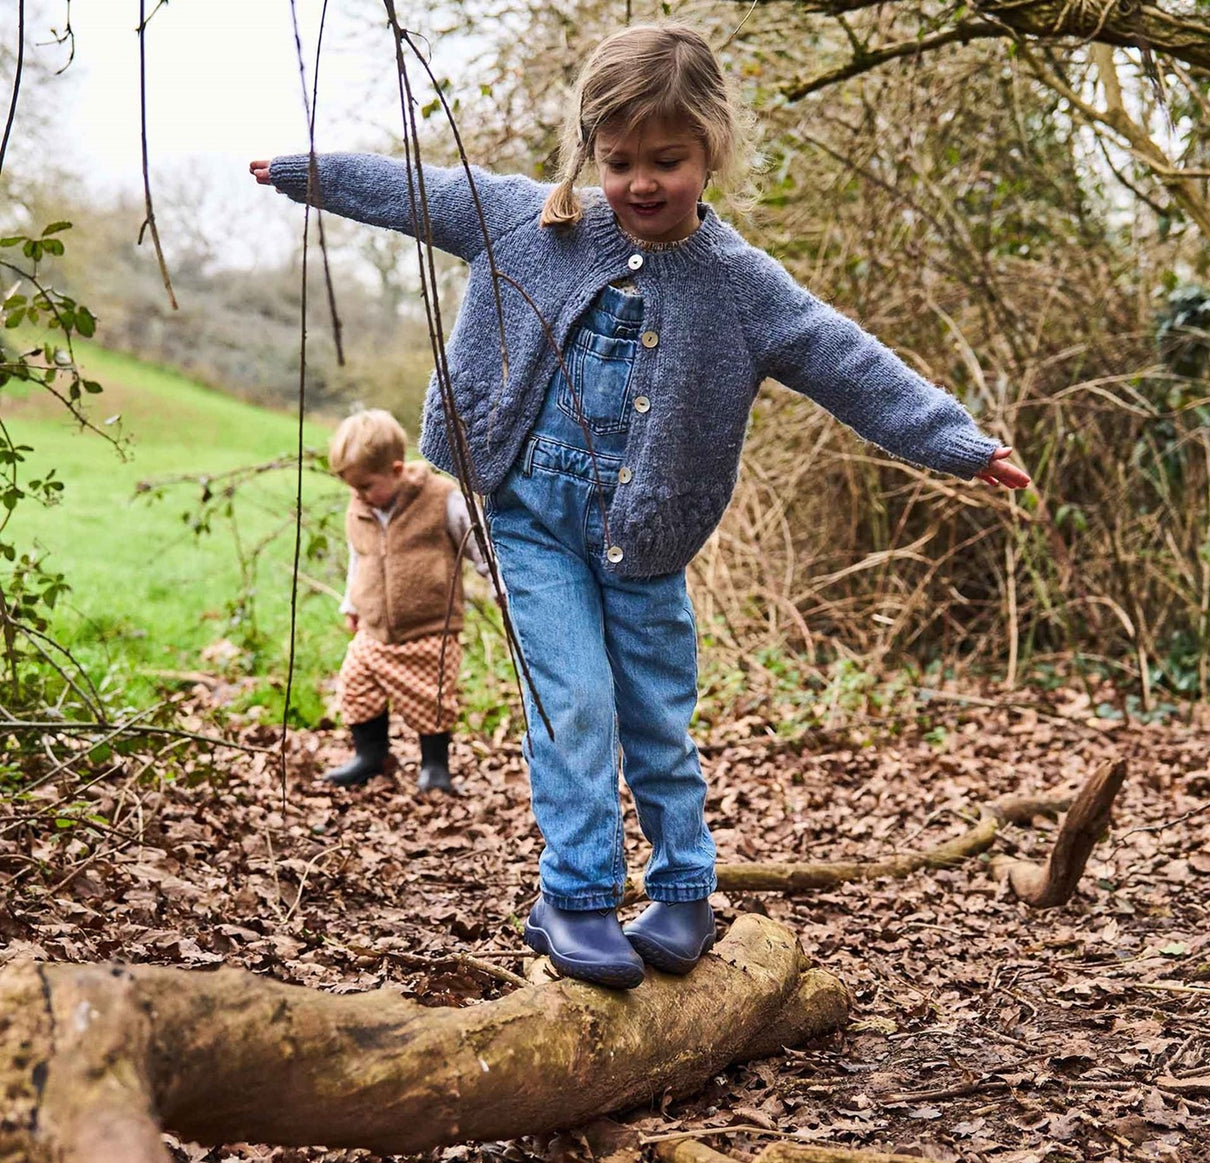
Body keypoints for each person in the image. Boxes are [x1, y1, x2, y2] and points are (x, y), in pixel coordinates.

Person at [251, 22, 1029, 989]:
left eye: (667, 161)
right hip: (529, 522)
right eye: (618, 162)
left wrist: (959, 443)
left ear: (712, 150)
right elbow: (419, 189)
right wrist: (307, 173)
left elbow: (845, 361)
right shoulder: (532, 221)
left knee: (657, 716)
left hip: (646, 539)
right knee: (573, 703)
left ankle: (684, 887)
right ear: (591, 152)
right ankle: (576, 896)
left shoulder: (742, 286)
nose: (641, 183)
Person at [324, 408, 487, 791]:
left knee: (432, 698)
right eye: (352, 487)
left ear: (396, 470)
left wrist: (500, 587)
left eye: (365, 486)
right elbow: (359, 558)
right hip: (374, 630)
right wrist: (351, 604)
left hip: (430, 628)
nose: (358, 495)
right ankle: (371, 756)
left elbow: (480, 544)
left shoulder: (441, 499)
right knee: (355, 685)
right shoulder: (361, 508)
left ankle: (435, 767)